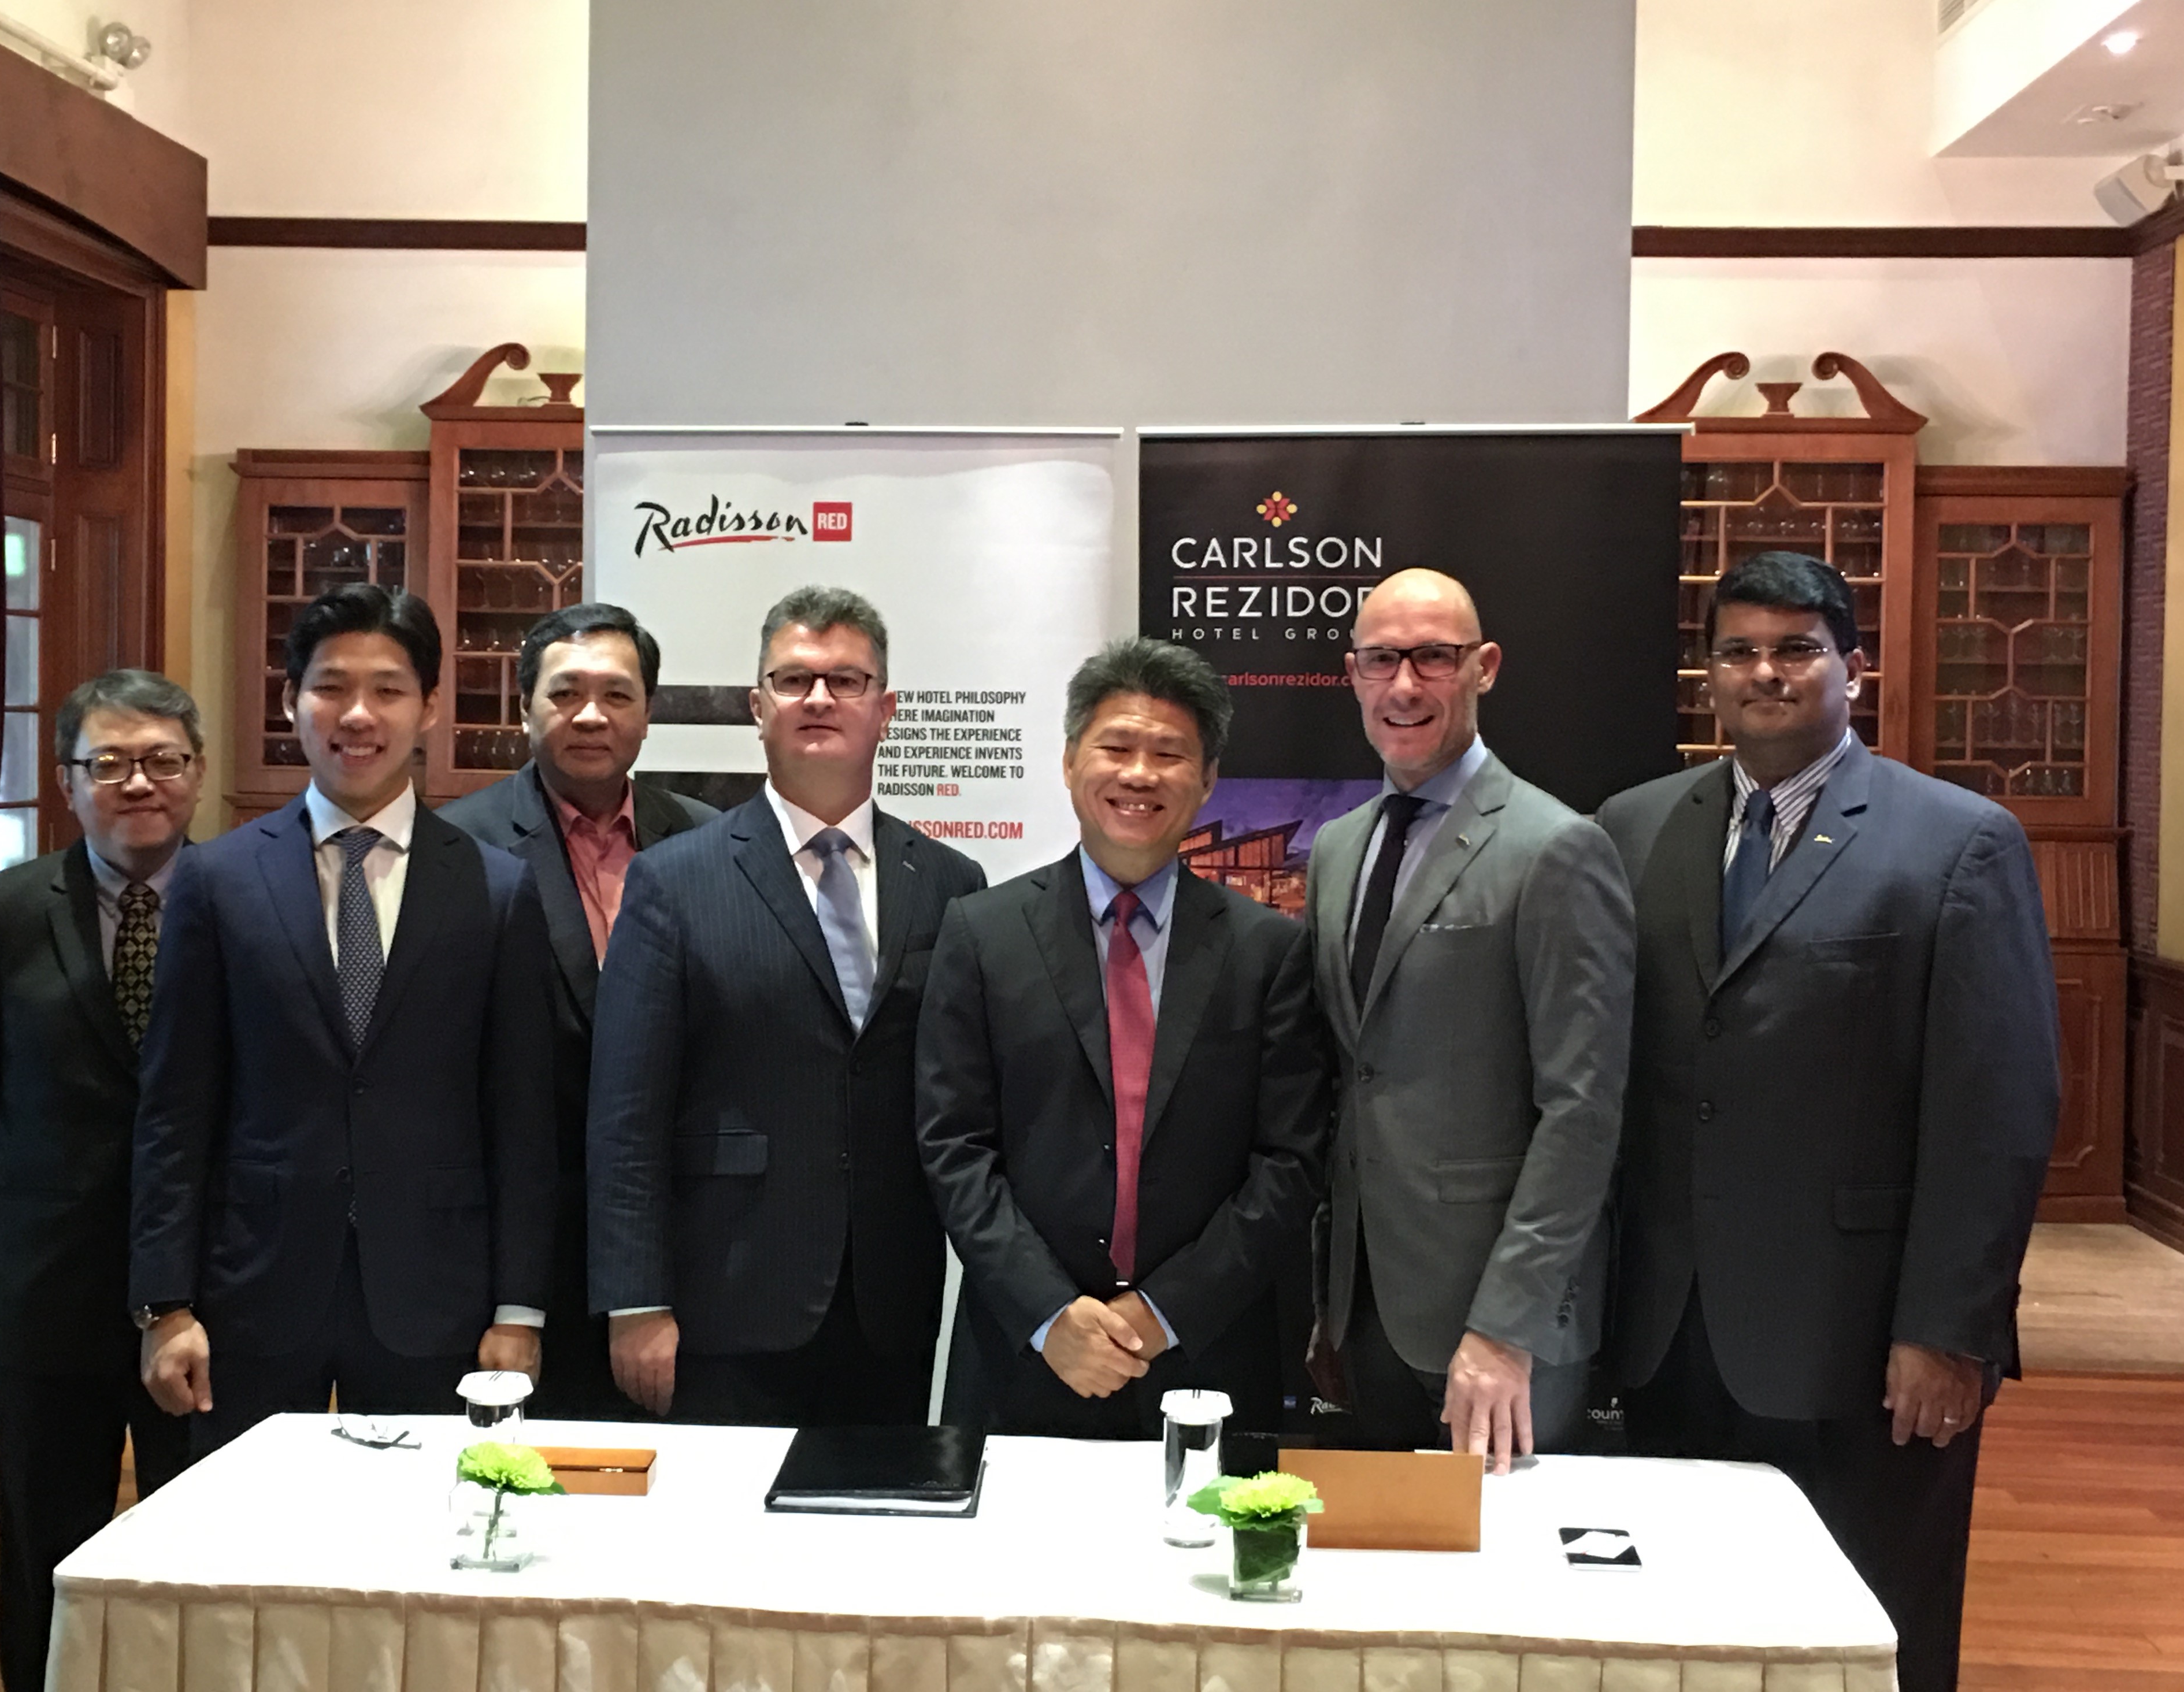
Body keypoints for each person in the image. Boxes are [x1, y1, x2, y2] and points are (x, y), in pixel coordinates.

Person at [1594, 551, 2057, 1692]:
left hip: (1860, 1343)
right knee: (1677, 1632)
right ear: (1709, 674)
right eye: (1739, 651)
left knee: (1866, 1636)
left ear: (1854, 666)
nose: (1766, 673)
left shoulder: (1957, 841)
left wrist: (1948, 1330)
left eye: (1797, 650)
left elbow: (1997, 1110)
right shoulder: (1632, 829)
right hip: (1668, 1331)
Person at [128, 584, 553, 1454]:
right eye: (330, 687)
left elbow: (521, 1114)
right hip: (251, 1287)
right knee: (244, 1529)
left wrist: (520, 1308)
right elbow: (175, 1107)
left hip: (435, 1294)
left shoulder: (497, 888)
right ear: (292, 700)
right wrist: (165, 1305)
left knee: (419, 1531)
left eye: (388, 690)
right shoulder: (217, 880)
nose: (357, 715)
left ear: (428, 707)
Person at [587, 584, 986, 1425]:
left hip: (891, 1298)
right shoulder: (673, 880)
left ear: (885, 710)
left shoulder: (950, 882)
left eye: (847, 680)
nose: (819, 698)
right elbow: (626, 1111)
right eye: (795, 679)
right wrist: (635, 1299)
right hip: (725, 1296)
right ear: (758, 707)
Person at [917, 637, 1329, 1437]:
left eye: (1169, 754)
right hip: (1026, 1354)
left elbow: (1289, 1162)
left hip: (1209, 1357)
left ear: (1207, 779)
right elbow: (954, 1146)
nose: (1140, 774)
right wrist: (1050, 1313)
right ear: (1070, 761)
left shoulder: (1267, 951)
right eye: (1116, 748)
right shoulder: (982, 933)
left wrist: (1165, 1312)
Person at [0, 671, 204, 1692]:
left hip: (209, 1293)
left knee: (198, 1546)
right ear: (69, 781)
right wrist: (29, 1186)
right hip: (53, 1290)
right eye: (108, 762)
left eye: (162, 760)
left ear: (196, 773)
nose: (138, 783)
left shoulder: (243, 901)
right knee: (47, 1543)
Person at [1306, 568, 1631, 1470]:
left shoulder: (1557, 847)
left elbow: (1583, 1111)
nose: (1405, 685)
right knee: (1375, 1554)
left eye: (1434, 658)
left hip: (1496, 1332)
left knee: (1505, 1558)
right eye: (1382, 660)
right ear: (1353, 675)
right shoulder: (1337, 848)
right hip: (1365, 1310)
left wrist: (1505, 1325)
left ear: (1484, 667)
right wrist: (1331, 1302)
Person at [444, 603, 718, 1419]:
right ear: (524, 706)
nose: (591, 715)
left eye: (617, 694)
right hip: (522, 1261)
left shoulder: (708, 842)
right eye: (565, 693)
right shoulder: (459, 849)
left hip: (686, 1252)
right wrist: (511, 1297)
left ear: (649, 711)